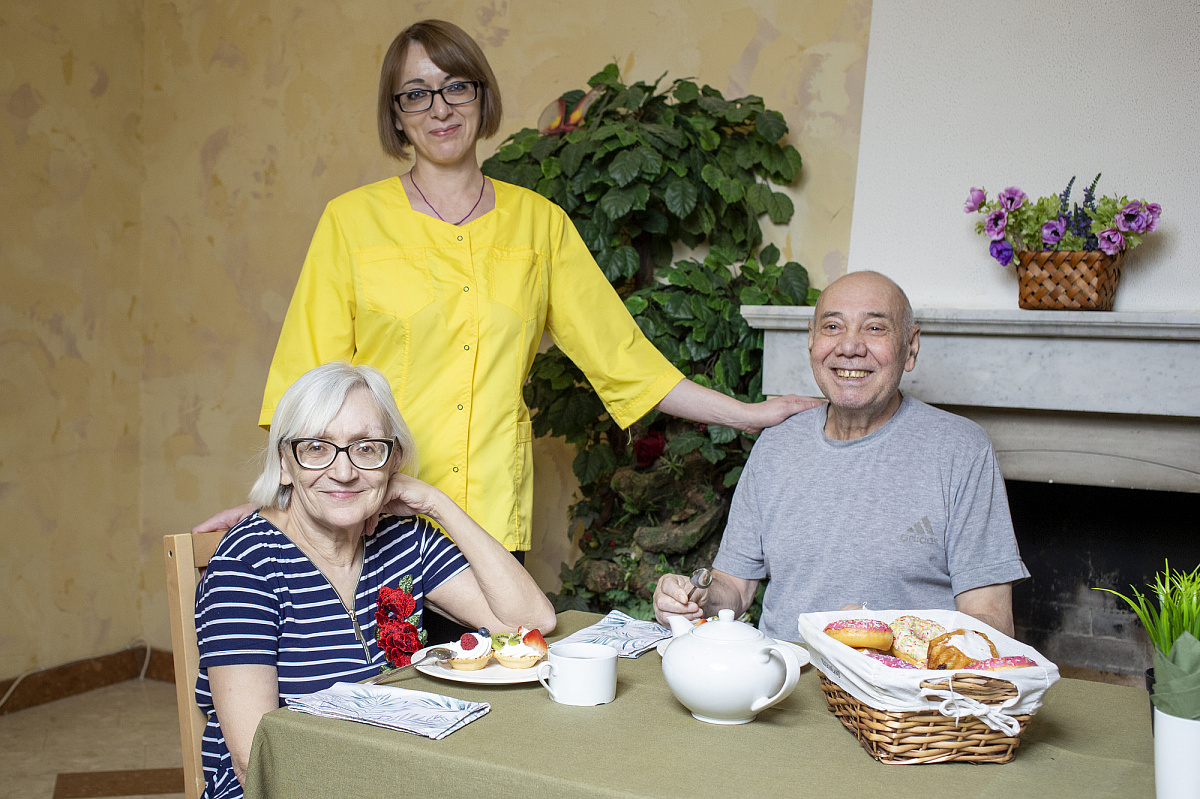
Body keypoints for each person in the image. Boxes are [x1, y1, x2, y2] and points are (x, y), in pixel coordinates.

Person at [192, 19, 818, 556]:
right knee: (380, 697)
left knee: (493, 688)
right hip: (373, 512)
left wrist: (748, 415)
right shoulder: (351, 222)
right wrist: (269, 510)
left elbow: (624, 360)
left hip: (489, 520)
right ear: (397, 117)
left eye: (456, 86)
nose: (440, 108)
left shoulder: (540, 225)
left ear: (482, 98)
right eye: (416, 94)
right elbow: (303, 389)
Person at [194, 363, 555, 799]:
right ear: (285, 464)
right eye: (316, 447)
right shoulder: (247, 564)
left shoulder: (404, 542)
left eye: (366, 448)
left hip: (396, 772)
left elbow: (529, 620)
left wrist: (437, 504)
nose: (344, 472)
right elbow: (254, 757)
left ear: (394, 461)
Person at [653, 271, 1028, 639]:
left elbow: (991, 622)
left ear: (910, 347)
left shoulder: (962, 450)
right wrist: (695, 597)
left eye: (875, 328)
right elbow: (733, 588)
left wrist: (882, 635)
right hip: (782, 683)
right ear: (812, 341)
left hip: (897, 693)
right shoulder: (777, 444)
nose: (850, 347)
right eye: (833, 327)